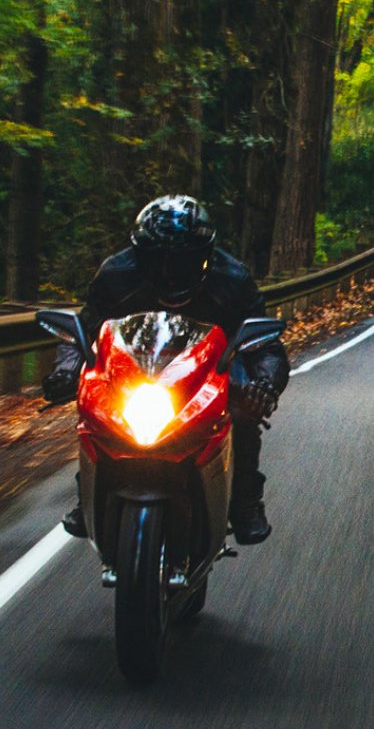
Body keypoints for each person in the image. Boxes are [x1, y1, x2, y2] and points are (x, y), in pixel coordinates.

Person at [41, 195, 290, 545]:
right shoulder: (116, 275)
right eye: (158, 262)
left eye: (183, 262)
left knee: (243, 413)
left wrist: (264, 384)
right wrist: (67, 371)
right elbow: (82, 330)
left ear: (206, 256)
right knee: (91, 406)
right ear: (139, 257)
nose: (170, 272)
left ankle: (246, 501)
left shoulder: (232, 279)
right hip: (131, 369)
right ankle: (87, 497)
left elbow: (265, 343)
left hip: (208, 369)